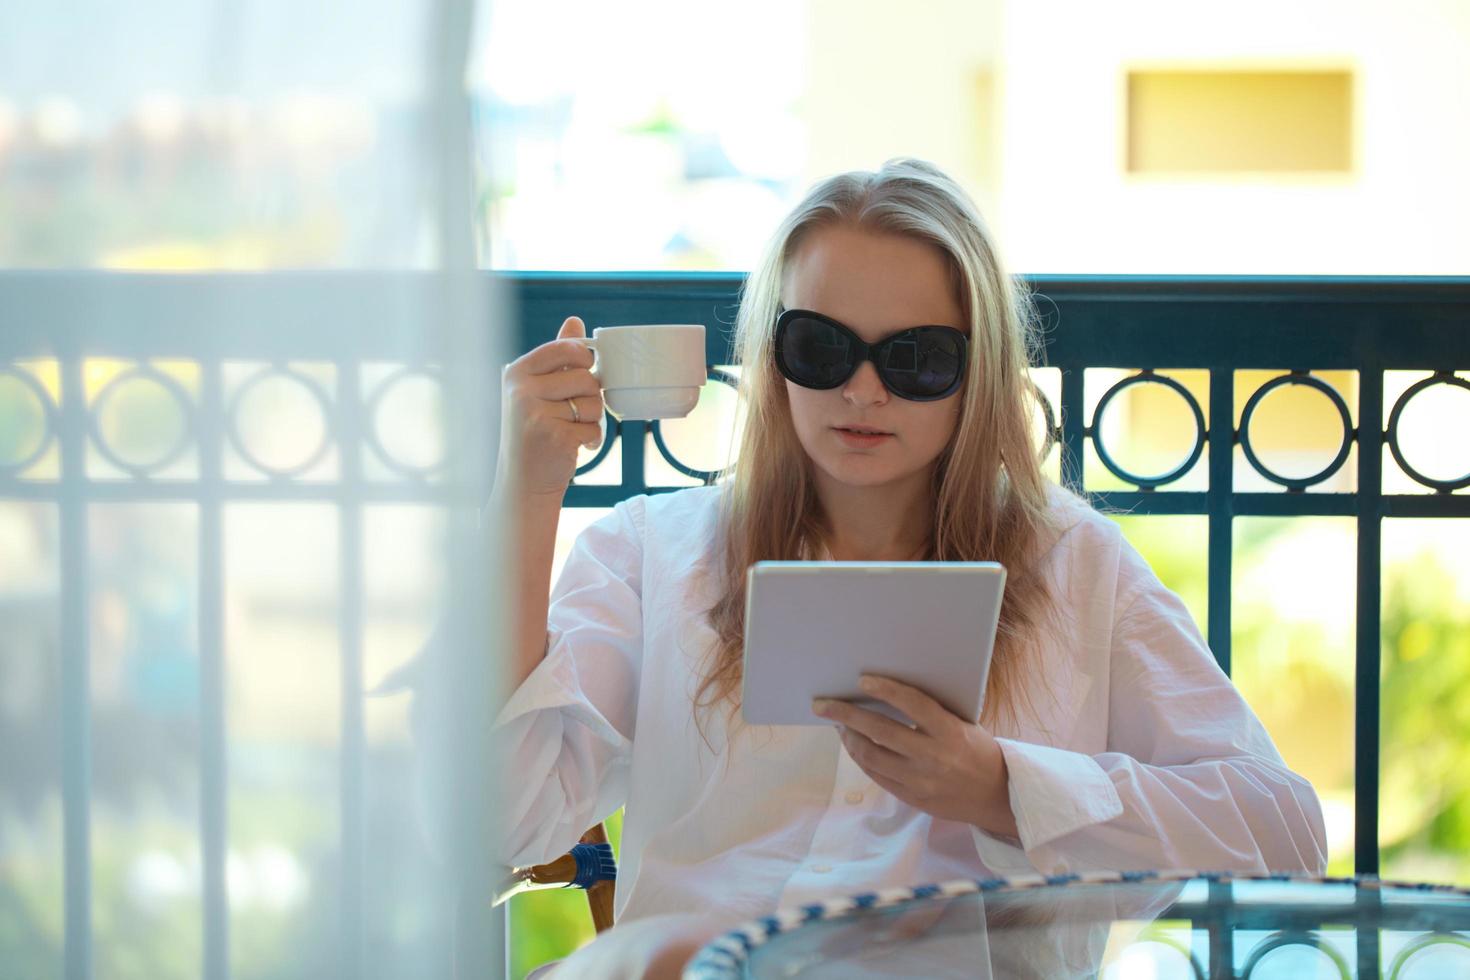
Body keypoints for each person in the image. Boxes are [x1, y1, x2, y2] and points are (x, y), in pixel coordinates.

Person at [485, 159, 1327, 977]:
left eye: (915, 358)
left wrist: (1005, 789)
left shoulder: (1073, 565)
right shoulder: (651, 554)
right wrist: (527, 493)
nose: (861, 391)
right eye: (820, 347)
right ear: (773, 356)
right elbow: (507, 820)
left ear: (978, 370)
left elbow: (1285, 839)